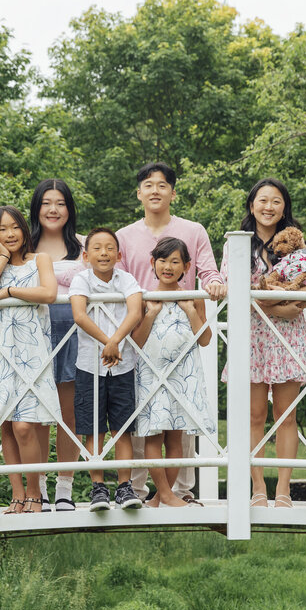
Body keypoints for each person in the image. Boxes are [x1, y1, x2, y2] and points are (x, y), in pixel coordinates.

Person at [117, 162, 225, 504]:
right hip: (141, 334)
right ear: (139, 193)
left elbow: (209, 271)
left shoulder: (193, 230)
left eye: (162, 185)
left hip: (182, 345)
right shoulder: (123, 236)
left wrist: (212, 286)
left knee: (178, 426)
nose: (154, 191)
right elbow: (113, 279)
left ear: (172, 192)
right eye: (148, 185)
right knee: (145, 424)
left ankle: (179, 492)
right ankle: (141, 491)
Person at [224, 179, 306, 508]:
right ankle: (258, 489)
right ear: (251, 204)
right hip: (252, 333)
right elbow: (231, 289)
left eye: (276, 201)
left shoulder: (296, 243)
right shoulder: (237, 244)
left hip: (287, 333)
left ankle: (284, 489)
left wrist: (285, 303)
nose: (269, 207)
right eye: (263, 200)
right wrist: (272, 305)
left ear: (285, 207)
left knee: (286, 415)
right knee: (254, 416)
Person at [0, 206, 61, 514]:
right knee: (8, 425)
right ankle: (17, 494)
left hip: (32, 350)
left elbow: (49, 293)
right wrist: (0, 259)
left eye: (15, 228)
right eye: (2, 230)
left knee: (26, 425)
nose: (10, 234)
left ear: (24, 229)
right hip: (1, 349)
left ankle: (35, 492)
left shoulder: (40, 260)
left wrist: (9, 291)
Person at [133, 237, 216, 508]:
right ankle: (166, 494)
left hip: (183, 376)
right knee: (153, 434)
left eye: (175, 261)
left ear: (186, 266)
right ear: (152, 263)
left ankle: (160, 497)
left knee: (176, 436)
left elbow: (205, 339)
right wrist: (150, 314)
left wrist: (190, 309)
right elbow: (137, 341)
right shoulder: (145, 297)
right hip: (152, 374)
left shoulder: (193, 297)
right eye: (162, 260)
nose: (168, 266)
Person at [69, 227, 145, 510]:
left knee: (122, 428)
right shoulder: (81, 279)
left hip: (123, 364)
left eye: (110, 248)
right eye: (97, 248)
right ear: (86, 255)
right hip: (90, 364)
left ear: (119, 254)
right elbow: (79, 314)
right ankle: (98, 487)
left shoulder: (126, 278)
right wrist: (106, 343)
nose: (104, 253)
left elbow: (135, 311)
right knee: (93, 429)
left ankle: (125, 488)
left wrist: (115, 342)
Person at [28, 179, 86, 511]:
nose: (53, 209)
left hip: (74, 331)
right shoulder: (23, 245)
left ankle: (65, 487)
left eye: (61, 203)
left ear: (69, 208)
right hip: (34, 331)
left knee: (69, 413)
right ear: (36, 208)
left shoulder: (84, 245)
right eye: (46, 202)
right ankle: (37, 487)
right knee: (36, 413)